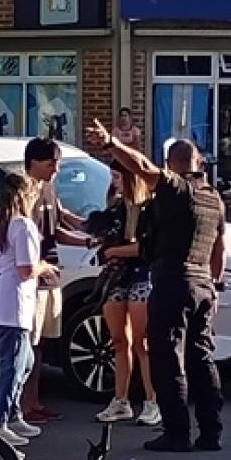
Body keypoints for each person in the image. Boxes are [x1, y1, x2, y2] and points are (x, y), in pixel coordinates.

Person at [88, 119, 226, 453]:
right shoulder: (214, 198)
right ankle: (211, 433)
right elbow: (220, 247)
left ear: (174, 165)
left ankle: (177, 432)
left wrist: (112, 144)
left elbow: (143, 167)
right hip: (203, 285)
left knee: (167, 357)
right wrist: (215, 284)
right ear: (199, 163)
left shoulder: (178, 188)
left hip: (173, 281)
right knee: (202, 357)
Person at [0, 172, 54, 446]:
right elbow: (26, 269)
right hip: (14, 304)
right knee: (12, 366)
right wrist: (46, 266)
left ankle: (14, 413)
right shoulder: (23, 226)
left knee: (25, 360)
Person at [20, 138, 96, 424]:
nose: (56, 168)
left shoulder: (49, 190)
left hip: (53, 277)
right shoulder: (24, 193)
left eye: (57, 162)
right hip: (33, 279)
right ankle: (22, 407)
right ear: (34, 162)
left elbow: (60, 224)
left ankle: (35, 401)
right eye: (51, 162)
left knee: (41, 346)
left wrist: (90, 236)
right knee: (28, 344)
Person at [95, 164, 160, 426]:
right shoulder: (115, 207)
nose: (115, 182)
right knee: (119, 341)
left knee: (142, 343)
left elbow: (146, 247)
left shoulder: (149, 209)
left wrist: (113, 252)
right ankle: (120, 400)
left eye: (118, 176)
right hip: (117, 277)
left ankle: (152, 401)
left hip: (142, 275)